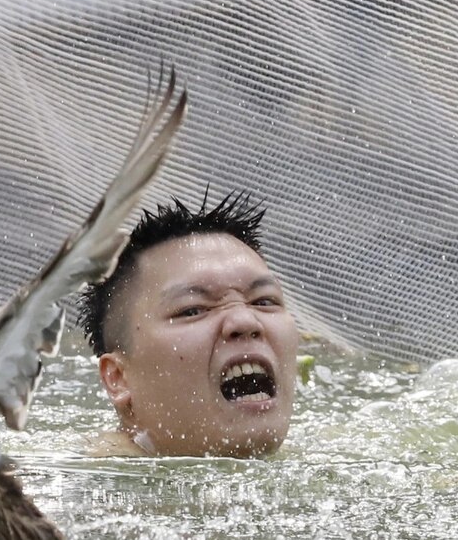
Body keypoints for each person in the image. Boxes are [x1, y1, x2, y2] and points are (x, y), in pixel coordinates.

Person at [79, 192, 301, 457]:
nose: (244, 320)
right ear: (118, 378)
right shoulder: (65, 487)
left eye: (264, 302)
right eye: (193, 309)